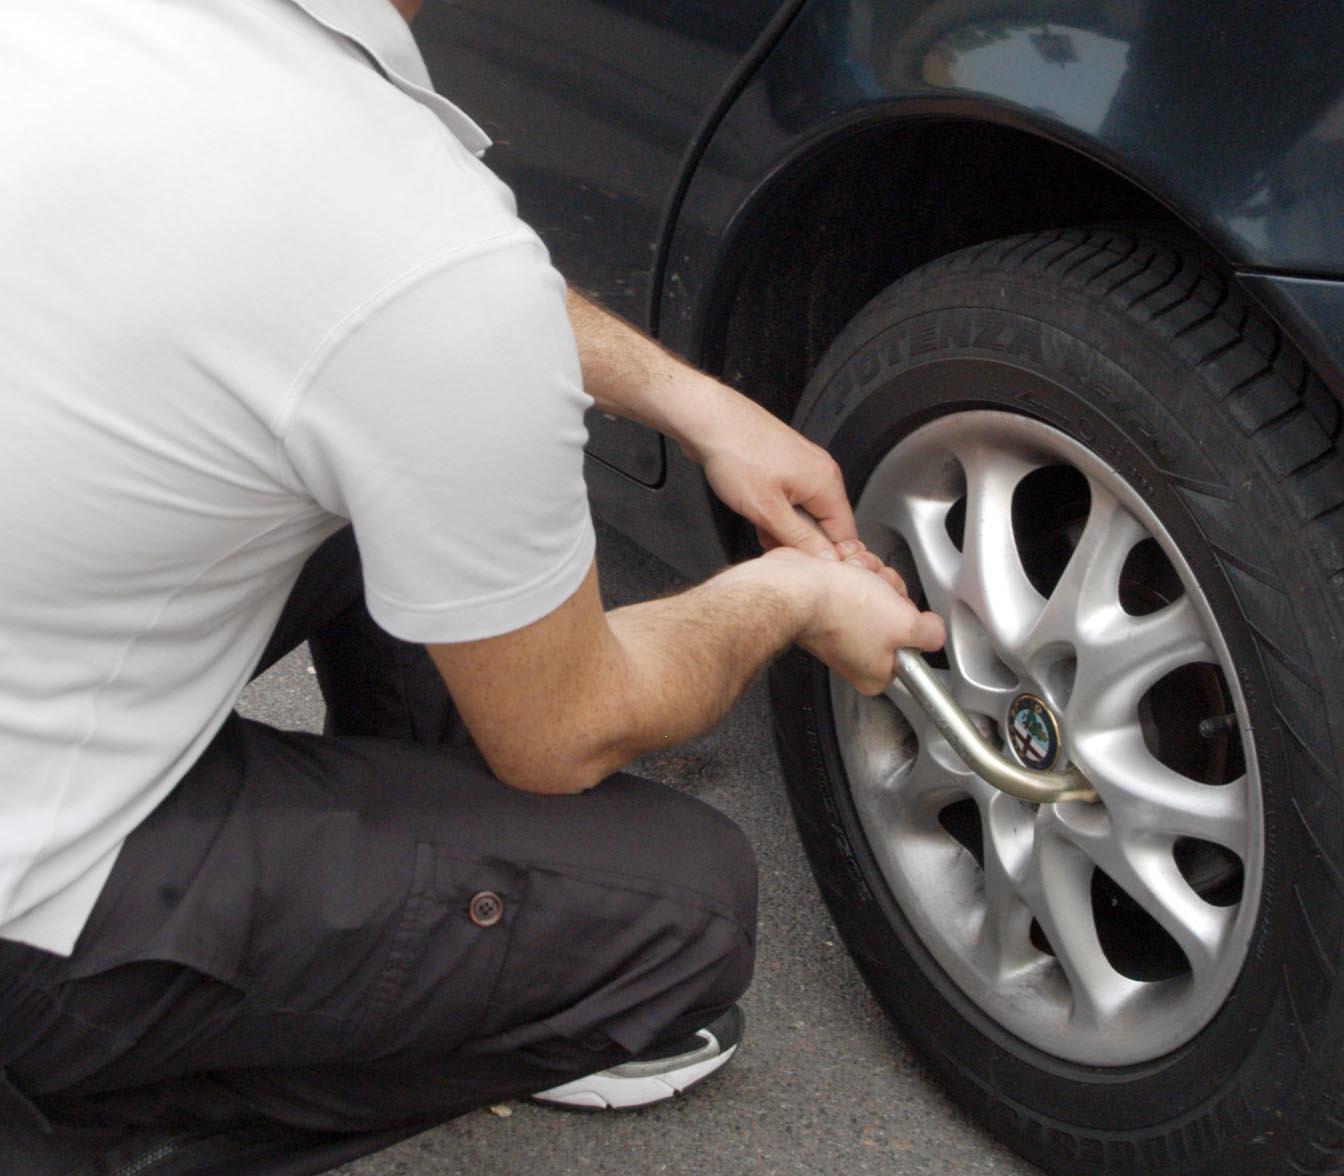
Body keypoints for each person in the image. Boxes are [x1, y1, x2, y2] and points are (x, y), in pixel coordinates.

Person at [0, 1, 944, 1172]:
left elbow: (362, 303)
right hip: (20, 901)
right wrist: (793, 599)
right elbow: (566, 727)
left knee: (400, 471)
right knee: (687, 913)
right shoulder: (407, 235)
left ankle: (422, 932)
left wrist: (701, 404)